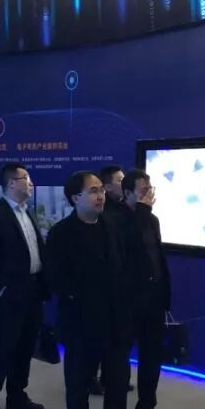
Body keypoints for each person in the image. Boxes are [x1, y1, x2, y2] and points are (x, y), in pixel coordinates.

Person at [45, 171, 139, 409]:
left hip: (116, 321)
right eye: (94, 191)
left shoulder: (113, 226)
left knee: (118, 381)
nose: (101, 196)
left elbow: (125, 267)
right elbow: (55, 277)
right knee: (78, 385)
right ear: (76, 198)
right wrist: (79, 296)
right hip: (81, 323)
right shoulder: (61, 233)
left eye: (101, 190)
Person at [0, 163, 48, 409]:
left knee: (26, 345)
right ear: (11, 183)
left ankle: (17, 394)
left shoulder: (28, 212)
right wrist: (2, 287)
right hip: (11, 292)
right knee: (5, 346)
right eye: (26, 178)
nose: (31, 183)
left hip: (33, 288)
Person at [119, 169, 171, 409]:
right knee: (120, 357)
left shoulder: (152, 220)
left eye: (150, 190)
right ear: (127, 193)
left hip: (154, 298)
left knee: (152, 354)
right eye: (143, 191)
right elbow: (129, 246)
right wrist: (141, 210)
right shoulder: (117, 219)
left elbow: (156, 257)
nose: (148, 195)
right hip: (128, 301)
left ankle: (147, 405)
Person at [86, 164, 128, 396]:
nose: (99, 196)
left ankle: (110, 375)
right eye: (120, 180)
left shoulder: (122, 208)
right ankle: (90, 377)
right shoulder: (104, 215)